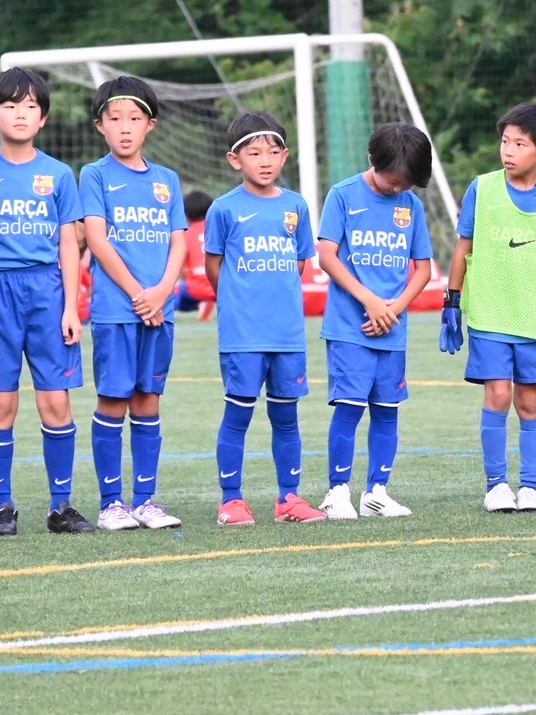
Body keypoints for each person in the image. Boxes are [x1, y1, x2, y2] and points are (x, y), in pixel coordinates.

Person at [0, 67, 88, 536]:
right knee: (1, 401)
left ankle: (61, 505)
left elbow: (69, 243)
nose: (20, 113)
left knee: (56, 400)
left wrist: (70, 306)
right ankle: (2, 506)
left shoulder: (58, 175)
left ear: (43, 117)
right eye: (10, 106)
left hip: (47, 291)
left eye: (30, 106)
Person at [441, 104, 536, 513]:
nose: (508, 150)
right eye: (505, 141)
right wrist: (452, 300)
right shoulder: (482, 189)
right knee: (498, 394)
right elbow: (463, 246)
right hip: (490, 313)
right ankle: (497, 485)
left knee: (530, 401)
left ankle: (531, 486)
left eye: (520, 143)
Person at [78, 76, 186, 531]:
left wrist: (162, 291)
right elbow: (98, 240)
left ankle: (145, 500)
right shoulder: (94, 174)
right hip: (118, 311)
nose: (125, 127)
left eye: (135, 119)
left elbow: (178, 241)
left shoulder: (167, 180)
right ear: (100, 125)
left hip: (159, 310)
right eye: (115, 119)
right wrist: (141, 295)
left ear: (150, 125)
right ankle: (111, 504)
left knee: (148, 400)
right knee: (114, 400)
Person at [204, 112, 323, 525]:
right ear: (235, 159)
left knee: (286, 417)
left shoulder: (296, 206)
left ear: (285, 156)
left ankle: (289, 498)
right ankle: (231, 501)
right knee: (238, 414)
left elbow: (300, 264)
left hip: (287, 333)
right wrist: (239, 300)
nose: (265, 161)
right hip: (243, 334)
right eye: (254, 153)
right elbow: (214, 268)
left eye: (273, 152)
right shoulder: (224, 209)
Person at [315, 122, 435, 520]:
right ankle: (337, 491)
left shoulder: (411, 206)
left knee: (387, 409)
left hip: (392, 329)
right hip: (350, 328)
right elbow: (327, 255)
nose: (399, 188)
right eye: (393, 180)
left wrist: (394, 308)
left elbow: (422, 269)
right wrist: (369, 300)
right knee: (350, 407)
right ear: (372, 160)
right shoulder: (343, 195)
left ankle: (376, 491)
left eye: (407, 182)